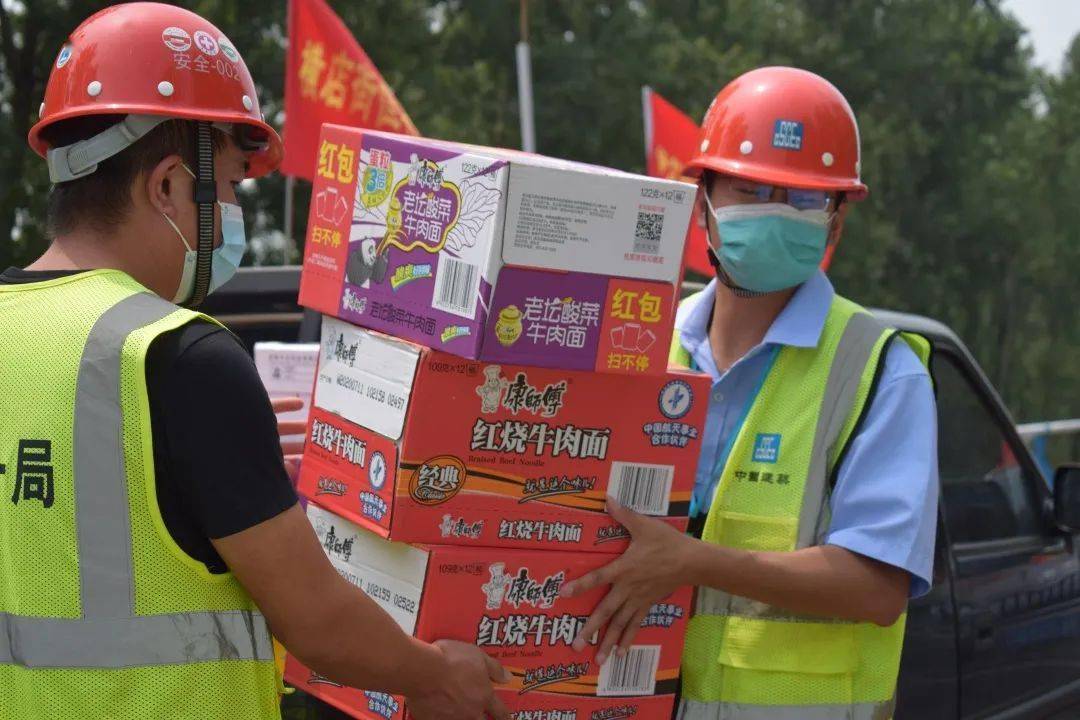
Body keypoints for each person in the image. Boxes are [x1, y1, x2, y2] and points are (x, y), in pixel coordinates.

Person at [0, 5, 506, 720]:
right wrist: (436, 672)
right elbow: (316, 620)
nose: (233, 211)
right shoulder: (179, 356)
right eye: (234, 186)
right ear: (170, 185)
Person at [562, 67, 939, 719]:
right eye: (751, 189)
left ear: (836, 224)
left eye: (800, 199)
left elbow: (878, 587)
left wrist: (691, 562)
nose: (773, 213)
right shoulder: (642, 344)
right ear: (703, 200)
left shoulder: (880, 371)